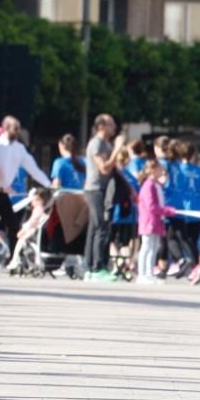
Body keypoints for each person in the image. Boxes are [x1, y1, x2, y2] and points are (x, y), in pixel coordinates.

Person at [0, 116, 50, 265]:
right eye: (15, 128)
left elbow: (32, 168)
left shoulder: (19, 149)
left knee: (13, 226)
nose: (18, 131)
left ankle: (14, 258)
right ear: (6, 128)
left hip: (3, 192)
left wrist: (48, 183)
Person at [83, 114, 125, 282]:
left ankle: (90, 267)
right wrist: (117, 149)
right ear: (102, 126)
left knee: (95, 228)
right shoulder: (96, 144)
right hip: (95, 189)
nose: (114, 128)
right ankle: (97, 267)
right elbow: (104, 169)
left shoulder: (106, 144)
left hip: (104, 189)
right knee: (101, 226)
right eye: (111, 125)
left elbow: (115, 170)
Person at [136, 160, 176, 285]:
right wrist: (167, 211)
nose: (161, 172)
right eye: (159, 169)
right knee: (146, 247)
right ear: (152, 170)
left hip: (156, 221)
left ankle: (149, 273)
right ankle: (142, 274)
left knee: (153, 248)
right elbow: (151, 206)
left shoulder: (156, 185)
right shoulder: (148, 186)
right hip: (148, 221)